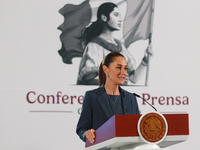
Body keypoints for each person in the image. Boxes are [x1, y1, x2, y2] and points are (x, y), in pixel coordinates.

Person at [77, 2, 153, 85]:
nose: (120, 19)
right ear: (104, 18)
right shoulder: (94, 46)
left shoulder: (120, 47)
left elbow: (133, 78)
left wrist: (145, 60)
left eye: (120, 16)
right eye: (116, 15)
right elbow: (89, 79)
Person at [76, 52, 140, 143]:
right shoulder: (92, 96)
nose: (123, 72)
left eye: (125, 68)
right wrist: (87, 133)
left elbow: (137, 129)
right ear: (106, 69)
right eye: (118, 67)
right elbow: (81, 128)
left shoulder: (131, 98)